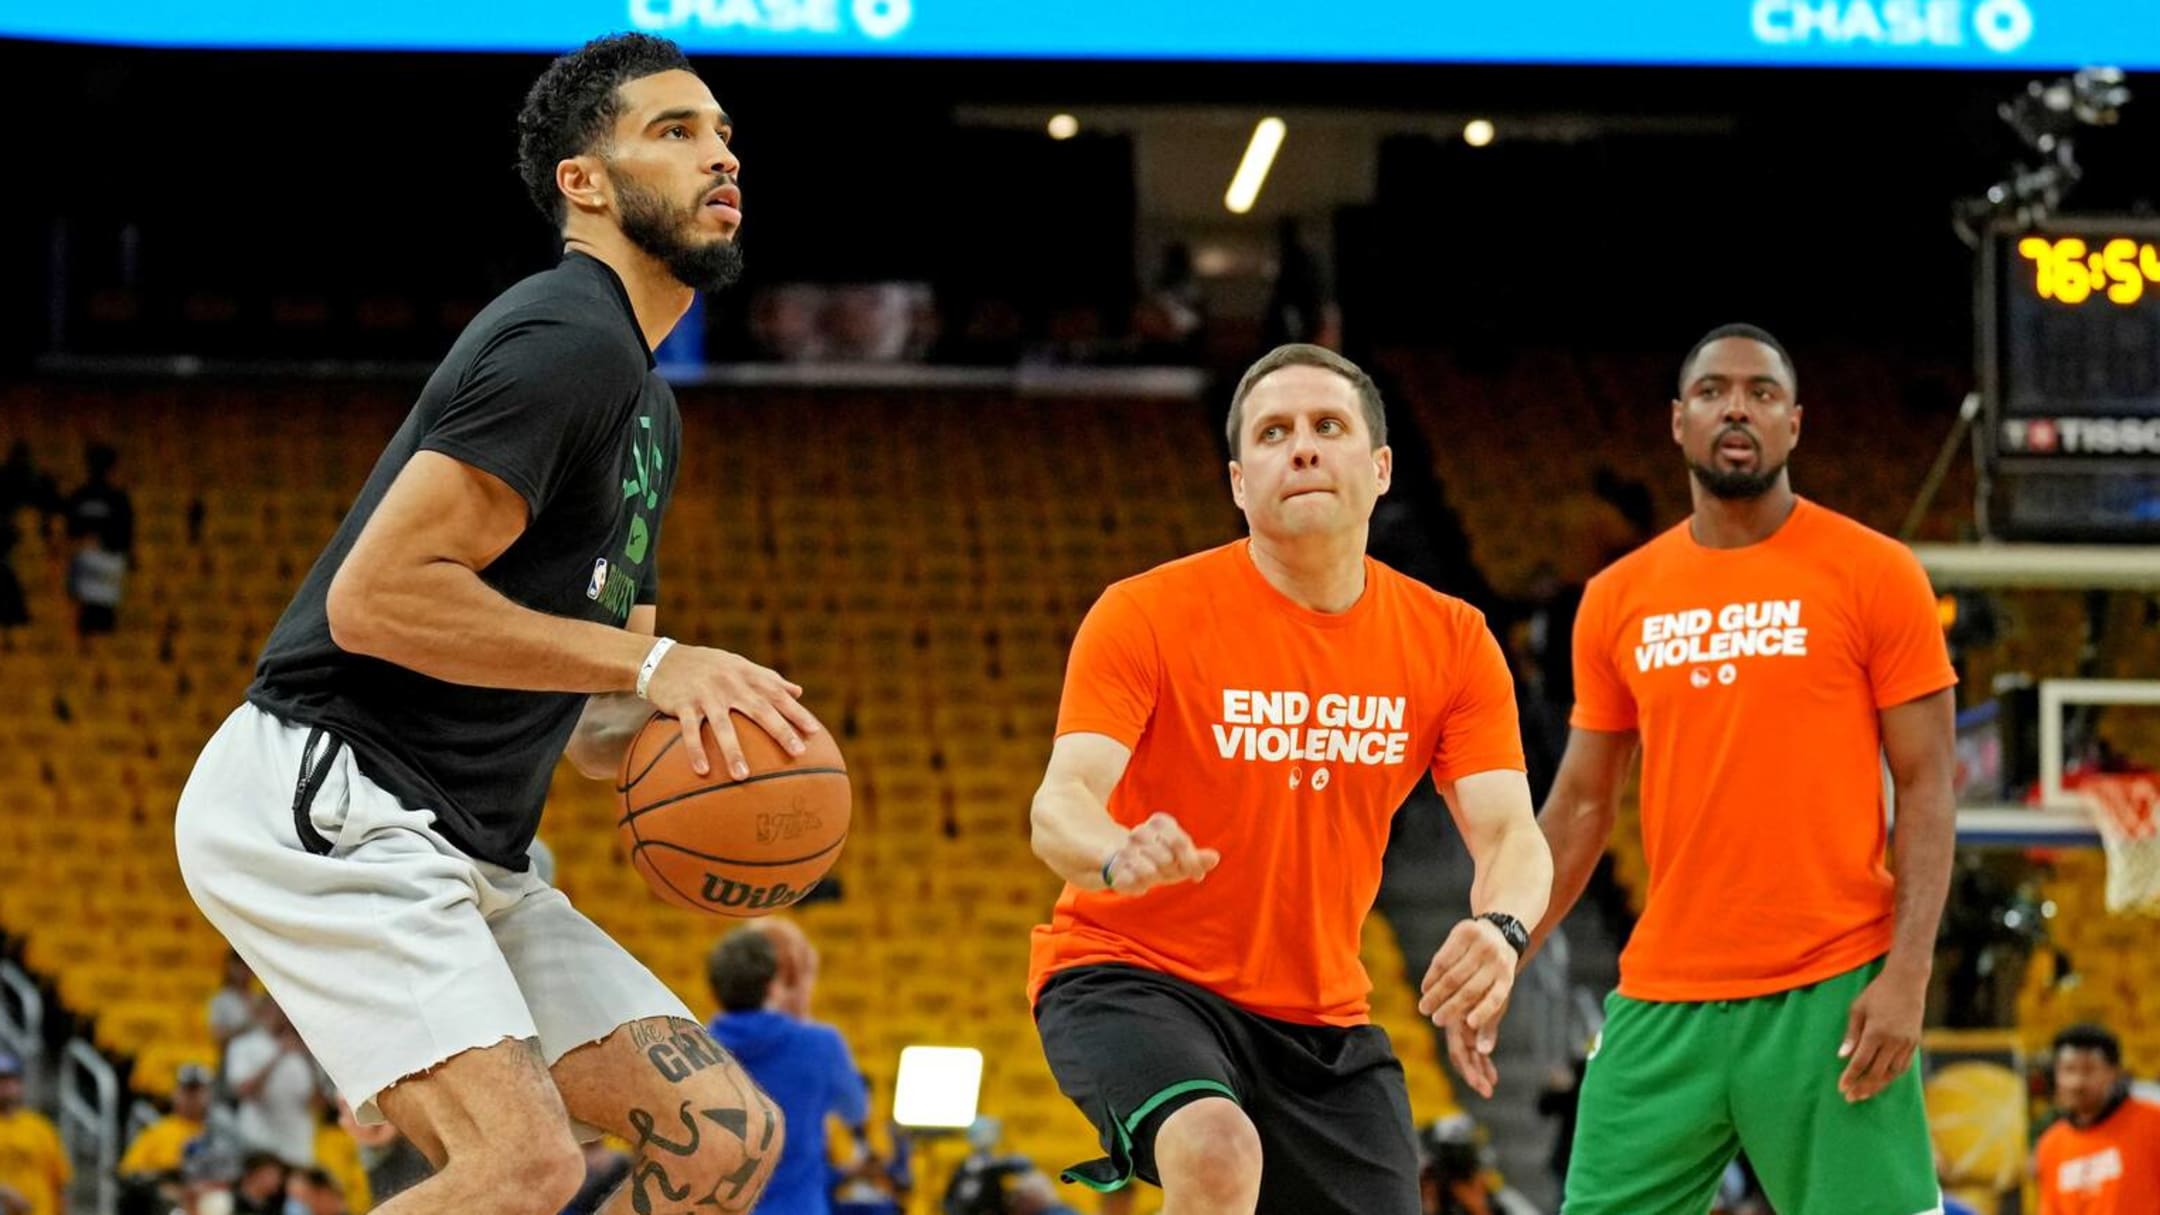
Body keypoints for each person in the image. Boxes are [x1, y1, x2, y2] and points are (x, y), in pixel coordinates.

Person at [173, 32, 803, 1215]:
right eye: (674, 132)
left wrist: (701, 754)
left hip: (469, 844)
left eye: (723, 135)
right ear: (586, 183)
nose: (720, 157)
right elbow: (379, 599)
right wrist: (660, 662)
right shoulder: (565, 335)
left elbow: (597, 716)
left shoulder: (648, 407)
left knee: (719, 1141)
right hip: (335, 791)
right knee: (521, 1168)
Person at [1026, 343, 1553, 1215]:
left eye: (1327, 426)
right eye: (1273, 432)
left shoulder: (1452, 640)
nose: (1301, 447)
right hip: (1134, 974)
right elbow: (1061, 801)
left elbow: (1507, 832)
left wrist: (1500, 927)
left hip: (1321, 1018)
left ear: (1381, 468)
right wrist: (1116, 849)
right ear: (1239, 482)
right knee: (1217, 1149)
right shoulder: (1145, 612)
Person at [1506, 324, 1960, 1214]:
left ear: (1795, 423)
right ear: (1680, 423)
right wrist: (1507, 940)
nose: (1738, 407)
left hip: (1831, 986)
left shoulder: (1876, 573)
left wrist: (1908, 972)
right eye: (1714, 392)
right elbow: (1582, 802)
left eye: (1761, 391)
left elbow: (1931, 785)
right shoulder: (1616, 597)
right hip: (1663, 995)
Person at [706, 927, 870, 1215]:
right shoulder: (820, 1045)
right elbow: (856, 1109)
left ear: (715, 989)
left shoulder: (692, 1051)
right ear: (773, 985)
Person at [2034, 1023, 2160, 1213]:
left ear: (2114, 1073)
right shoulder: (2051, 1146)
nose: (2077, 1082)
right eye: (2069, 1070)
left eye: (2089, 1070)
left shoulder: (2152, 1123)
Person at [118, 1063, 215, 1212]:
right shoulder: (157, 1131)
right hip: (167, 1198)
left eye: (198, 1092)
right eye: (187, 1091)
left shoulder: (219, 1132)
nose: (192, 1098)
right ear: (175, 1094)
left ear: (208, 1095)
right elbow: (130, 1172)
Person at [0, 1052, 68, 1215]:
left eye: (10, 1080)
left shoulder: (40, 1126)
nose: (6, 1087)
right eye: (1, 1081)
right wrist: (4, 1192)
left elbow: (60, 1181)